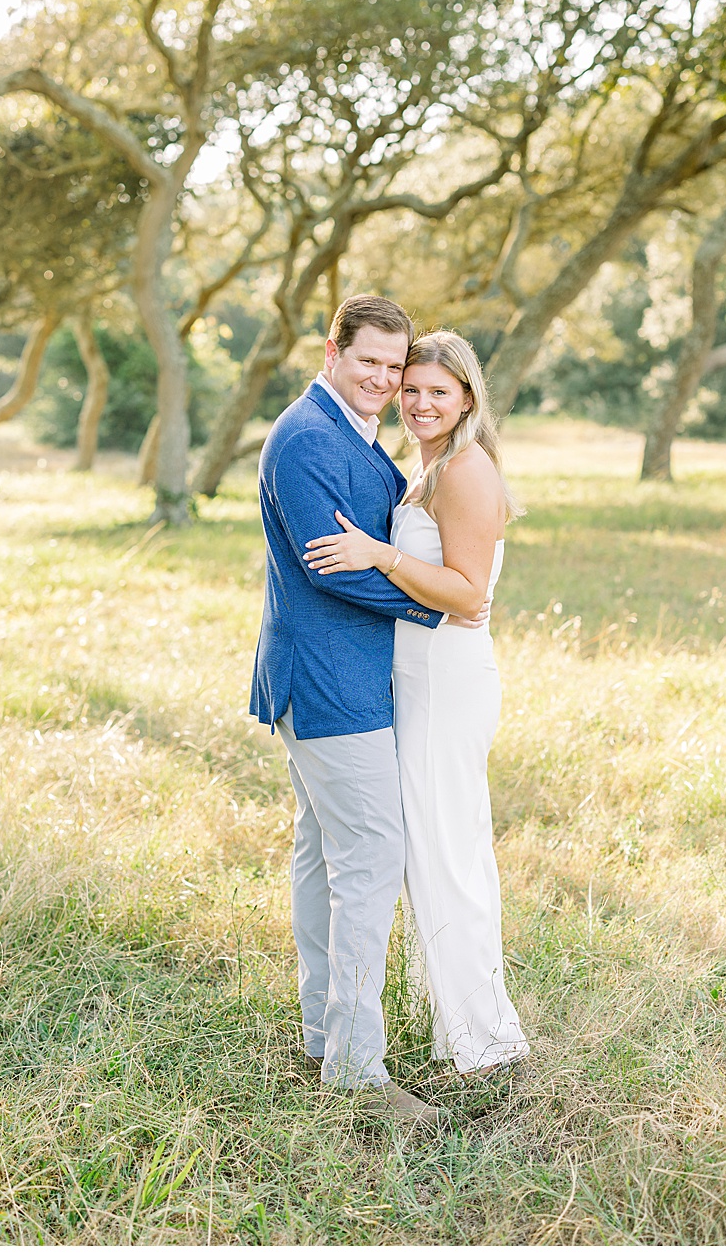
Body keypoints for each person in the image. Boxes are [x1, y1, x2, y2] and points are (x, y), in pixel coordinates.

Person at [249, 294, 471, 1130]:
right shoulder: (308, 437)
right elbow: (328, 569)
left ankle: (322, 1032)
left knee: (323, 857)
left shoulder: (348, 428)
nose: (383, 379)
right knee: (372, 855)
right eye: (368, 361)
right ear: (332, 350)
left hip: (340, 676)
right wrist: (434, 608)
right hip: (329, 681)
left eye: (394, 364)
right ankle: (354, 1071)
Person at [302, 330, 531, 1083]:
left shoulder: (464, 471)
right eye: (412, 388)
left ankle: (486, 1043)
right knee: (432, 855)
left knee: (450, 858)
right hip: (417, 680)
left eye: (439, 390)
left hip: (447, 681)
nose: (421, 402)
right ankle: (460, 1030)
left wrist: (380, 554)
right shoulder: (426, 468)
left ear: (467, 396)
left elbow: (470, 597)